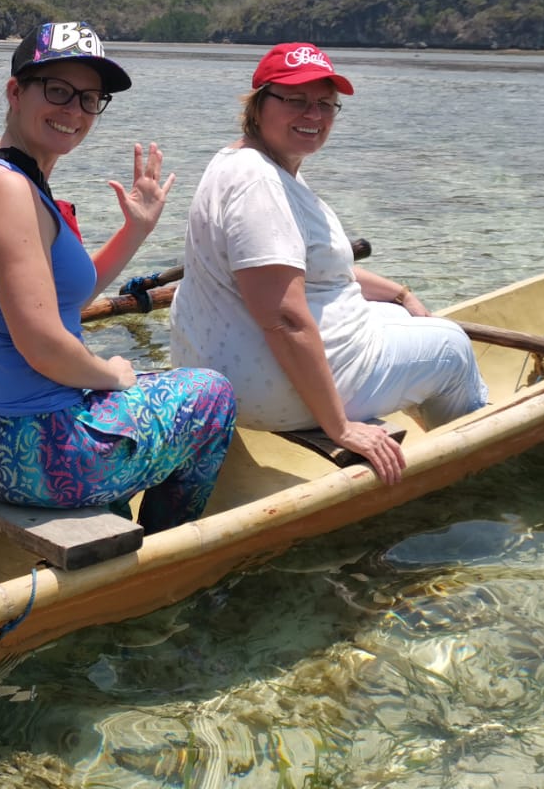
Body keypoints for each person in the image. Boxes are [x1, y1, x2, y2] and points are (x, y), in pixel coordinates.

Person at [0, 22, 235, 532]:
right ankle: (164, 552)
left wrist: (135, 230)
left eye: (89, 99)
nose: (74, 111)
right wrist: (109, 374)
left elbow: (59, 306)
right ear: (15, 91)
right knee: (212, 393)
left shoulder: (13, 180)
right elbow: (43, 343)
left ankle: (118, 510)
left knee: (149, 390)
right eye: (58, 91)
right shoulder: (9, 191)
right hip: (30, 448)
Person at [169, 42, 489, 485]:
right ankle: (472, 467)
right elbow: (284, 317)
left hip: (232, 368)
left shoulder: (249, 164)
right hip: (268, 387)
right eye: (296, 101)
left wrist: (399, 293)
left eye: (325, 104)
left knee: (398, 315)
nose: (313, 115)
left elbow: (306, 270)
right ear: (259, 105)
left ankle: (419, 413)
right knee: (451, 346)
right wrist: (339, 428)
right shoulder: (258, 183)